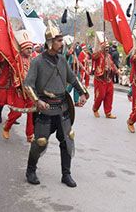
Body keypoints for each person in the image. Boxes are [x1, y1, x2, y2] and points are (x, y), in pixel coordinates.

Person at [24, 21, 89, 187]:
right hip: (45, 109)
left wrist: (83, 92)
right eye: (59, 40)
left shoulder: (62, 60)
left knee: (67, 141)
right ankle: (31, 170)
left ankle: (66, 174)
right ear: (50, 42)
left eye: (61, 40)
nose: (62, 43)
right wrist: (37, 101)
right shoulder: (37, 62)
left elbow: (72, 78)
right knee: (40, 142)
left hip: (62, 107)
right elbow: (28, 84)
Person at [1, 31, 35, 141]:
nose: (30, 50)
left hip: (30, 91)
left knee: (31, 113)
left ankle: (30, 134)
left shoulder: (33, 59)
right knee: (16, 114)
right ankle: (7, 127)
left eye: (31, 48)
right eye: (27, 48)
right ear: (21, 49)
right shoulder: (16, 59)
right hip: (19, 91)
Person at [91, 32, 117, 119]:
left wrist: (116, 70)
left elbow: (112, 64)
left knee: (109, 96)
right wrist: (100, 50)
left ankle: (108, 112)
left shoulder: (109, 55)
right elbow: (93, 57)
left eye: (107, 47)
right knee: (100, 96)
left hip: (109, 79)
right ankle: (95, 109)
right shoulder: (98, 54)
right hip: (100, 79)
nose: (107, 49)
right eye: (105, 47)